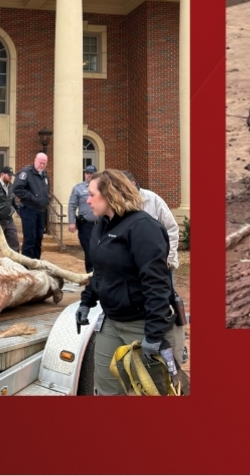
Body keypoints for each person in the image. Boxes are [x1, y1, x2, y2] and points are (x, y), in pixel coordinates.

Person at [75, 169, 175, 395]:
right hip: (111, 321)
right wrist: (86, 302)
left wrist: (154, 334)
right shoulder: (101, 225)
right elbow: (100, 270)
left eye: (92, 194)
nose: (87, 200)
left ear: (110, 194)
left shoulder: (143, 227)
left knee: (150, 392)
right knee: (106, 387)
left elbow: (157, 283)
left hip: (141, 325)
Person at [124, 172, 182, 272]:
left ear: (133, 184)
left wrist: (168, 259)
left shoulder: (153, 199)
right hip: (132, 266)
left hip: (159, 264)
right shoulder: (118, 203)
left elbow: (171, 229)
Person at [12, 152, 50, 259]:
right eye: (40, 163)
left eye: (44, 163)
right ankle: (26, 264)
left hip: (41, 210)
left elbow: (47, 190)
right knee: (30, 238)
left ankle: (36, 262)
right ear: (35, 161)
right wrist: (32, 197)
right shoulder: (25, 173)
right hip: (29, 210)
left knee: (39, 237)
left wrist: (47, 199)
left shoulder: (45, 175)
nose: (42, 165)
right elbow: (17, 189)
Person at [67, 165, 98, 272]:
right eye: (87, 173)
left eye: (91, 173)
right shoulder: (78, 188)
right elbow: (72, 206)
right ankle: (90, 275)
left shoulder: (101, 188)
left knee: (100, 250)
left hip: (100, 224)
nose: (89, 175)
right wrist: (71, 222)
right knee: (89, 251)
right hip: (86, 225)